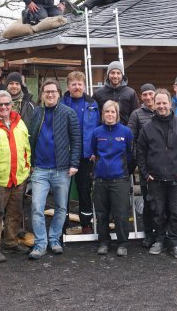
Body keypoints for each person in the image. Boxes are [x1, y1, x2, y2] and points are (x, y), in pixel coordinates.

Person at [136, 89, 177, 259]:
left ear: (171, 104)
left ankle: (175, 243)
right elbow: (140, 153)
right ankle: (160, 240)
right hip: (155, 179)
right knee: (158, 212)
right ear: (154, 105)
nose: (161, 106)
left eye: (164, 103)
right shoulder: (147, 128)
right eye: (158, 103)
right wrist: (146, 173)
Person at [27, 79, 81, 259]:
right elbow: (29, 140)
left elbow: (76, 140)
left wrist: (74, 164)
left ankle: (55, 239)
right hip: (40, 170)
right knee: (36, 207)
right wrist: (30, 163)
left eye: (53, 92)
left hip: (62, 169)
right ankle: (40, 243)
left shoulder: (68, 113)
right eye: (46, 92)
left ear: (59, 93)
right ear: (42, 94)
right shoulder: (36, 113)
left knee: (61, 207)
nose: (50, 95)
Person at [0, 90, 33, 263]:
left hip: (19, 177)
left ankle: (11, 242)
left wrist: (27, 168)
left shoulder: (20, 124)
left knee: (15, 212)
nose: (3, 107)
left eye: (6, 104)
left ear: (12, 105)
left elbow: (26, 147)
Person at [88, 101, 134, 257]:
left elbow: (130, 154)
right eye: (107, 112)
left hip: (120, 179)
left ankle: (122, 243)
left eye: (113, 112)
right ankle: (104, 242)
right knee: (102, 214)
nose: (110, 115)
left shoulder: (126, 132)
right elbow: (94, 152)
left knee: (121, 213)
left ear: (117, 114)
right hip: (100, 180)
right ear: (103, 114)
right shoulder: (96, 133)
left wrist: (123, 170)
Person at [61, 71, 101, 234]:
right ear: (68, 86)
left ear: (84, 86)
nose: (77, 87)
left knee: (84, 190)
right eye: (74, 84)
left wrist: (94, 150)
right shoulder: (61, 103)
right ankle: (62, 224)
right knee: (62, 191)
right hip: (65, 155)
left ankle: (86, 223)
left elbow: (98, 129)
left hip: (86, 156)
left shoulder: (93, 104)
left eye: (79, 84)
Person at [127, 83, 157, 247]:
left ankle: (162, 232)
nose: (147, 97)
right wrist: (137, 159)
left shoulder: (163, 110)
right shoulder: (136, 115)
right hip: (145, 164)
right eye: (144, 94)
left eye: (150, 93)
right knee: (147, 200)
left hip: (163, 164)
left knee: (162, 201)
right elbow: (131, 138)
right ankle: (148, 233)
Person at [92, 60, 138, 125]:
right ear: (108, 75)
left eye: (118, 73)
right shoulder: (98, 93)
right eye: (112, 73)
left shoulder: (131, 93)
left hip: (124, 131)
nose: (115, 76)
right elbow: (93, 116)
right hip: (104, 131)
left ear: (122, 75)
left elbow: (134, 115)